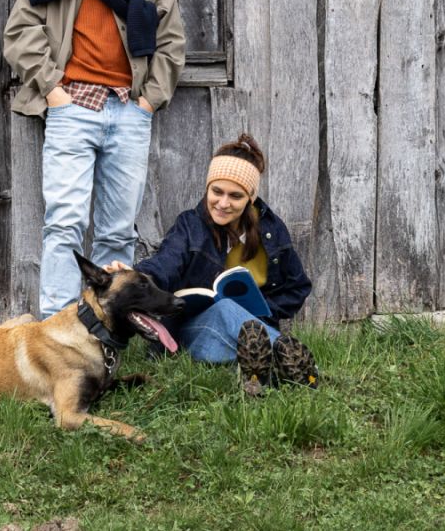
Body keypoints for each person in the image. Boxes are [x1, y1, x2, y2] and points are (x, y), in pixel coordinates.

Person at [3, 0, 187, 317]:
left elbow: (171, 42)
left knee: (117, 231)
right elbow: (20, 29)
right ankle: (57, 326)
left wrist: (148, 102)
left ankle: (105, 328)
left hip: (128, 110)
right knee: (63, 223)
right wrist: (53, 90)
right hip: (72, 105)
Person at [124, 133, 318, 391]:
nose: (223, 203)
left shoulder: (271, 230)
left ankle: (260, 374)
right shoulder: (189, 225)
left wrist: (261, 311)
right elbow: (165, 263)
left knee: (240, 325)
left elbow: (298, 287)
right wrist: (131, 276)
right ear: (207, 188)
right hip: (192, 328)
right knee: (225, 309)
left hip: (252, 332)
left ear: (250, 198)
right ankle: (300, 370)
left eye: (235, 196)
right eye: (217, 192)